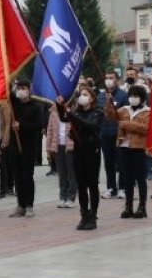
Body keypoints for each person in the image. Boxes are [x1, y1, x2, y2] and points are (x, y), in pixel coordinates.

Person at [61, 86, 102, 230]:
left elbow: (91, 126)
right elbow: (63, 117)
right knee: (81, 184)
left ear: (92, 98)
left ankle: (93, 215)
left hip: (92, 151)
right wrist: (60, 104)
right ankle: (84, 213)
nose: (82, 97)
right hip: (78, 152)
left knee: (92, 184)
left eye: (85, 94)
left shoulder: (97, 112)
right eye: (81, 94)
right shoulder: (76, 111)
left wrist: (73, 117)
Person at [7, 81, 46, 217]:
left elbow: (39, 125)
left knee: (27, 176)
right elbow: (7, 91)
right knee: (17, 176)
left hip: (28, 145)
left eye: (23, 88)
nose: (20, 91)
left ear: (29, 90)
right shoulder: (14, 104)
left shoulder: (35, 106)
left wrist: (21, 125)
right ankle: (20, 205)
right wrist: (10, 80)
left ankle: (29, 205)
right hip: (14, 145)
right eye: (18, 88)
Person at [114, 84, 150, 219]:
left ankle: (142, 206)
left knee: (140, 178)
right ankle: (128, 205)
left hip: (138, 148)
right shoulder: (124, 109)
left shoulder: (147, 111)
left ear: (141, 98)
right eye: (131, 95)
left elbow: (146, 128)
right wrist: (109, 102)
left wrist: (129, 125)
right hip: (124, 146)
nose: (133, 98)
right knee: (127, 178)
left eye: (136, 96)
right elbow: (111, 115)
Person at [97, 71, 129, 199]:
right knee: (108, 162)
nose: (109, 80)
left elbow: (125, 114)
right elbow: (99, 113)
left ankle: (122, 187)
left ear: (117, 80)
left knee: (121, 162)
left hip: (118, 133)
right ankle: (111, 187)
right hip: (104, 133)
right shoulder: (101, 96)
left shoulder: (123, 95)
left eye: (111, 78)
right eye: (107, 78)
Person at [46, 100, 76, 209]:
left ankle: (71, 197)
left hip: (70, 146)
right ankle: (62, 196)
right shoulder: (53, 114)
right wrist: (49, 148)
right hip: (58, 146)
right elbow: (49, 131)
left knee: (71, 173)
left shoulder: (73, 112)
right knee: (62, 173)